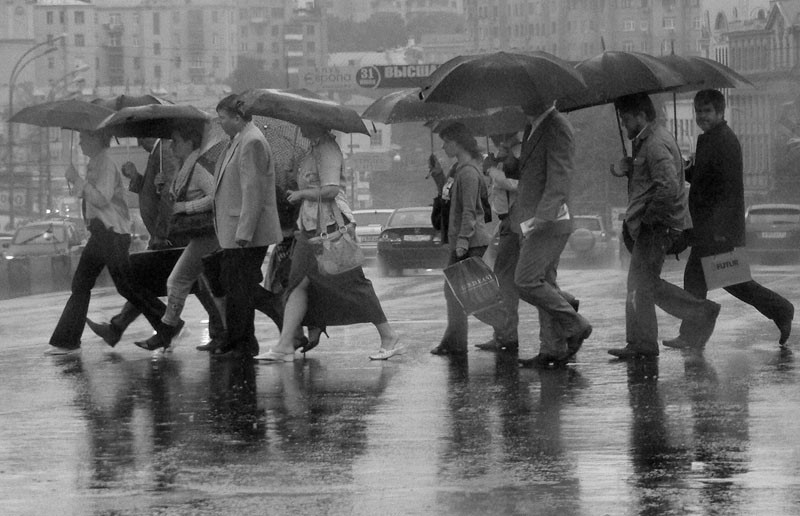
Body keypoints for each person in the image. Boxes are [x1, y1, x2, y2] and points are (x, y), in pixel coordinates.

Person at [255, 123, 402, 362]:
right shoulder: (312, 151)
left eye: (304, 122)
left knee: (352, 284)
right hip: (309, 227)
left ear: (318, 123)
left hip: (329, 229)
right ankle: (284, 345)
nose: (301, 127)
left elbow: (332, 190)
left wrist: (302, 194)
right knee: (297, 285)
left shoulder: (328, 150)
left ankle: (389, 336)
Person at [662, 89, 794, 350]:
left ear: (721, 112)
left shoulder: (724, 141)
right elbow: (704, 178)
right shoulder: (712, 139)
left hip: (717, 230)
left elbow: (727, 190)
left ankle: (781, 310)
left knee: (723, 282)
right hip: (710, 229)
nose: (702, 116)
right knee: (714, 283)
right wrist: (685, 169)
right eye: (698, 111)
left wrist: (720, 231)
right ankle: (692, 335)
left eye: (707, 111)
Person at [607, 93, 721, 359]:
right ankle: (646, 340)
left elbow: (668, 187)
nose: (624, 125)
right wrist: (624, 169)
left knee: (640, 283)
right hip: (656, 224)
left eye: (626, 120)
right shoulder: (646, 141)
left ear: (640, 115)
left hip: (658, 225)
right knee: (643, 284)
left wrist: (648, 220)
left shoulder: (656, 143)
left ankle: (652, 339)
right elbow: (648, 182)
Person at [84, 136, 225, 349]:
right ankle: (122, 328)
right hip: (166, 233)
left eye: (143, 135)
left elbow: (175, 199)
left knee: (190, 282)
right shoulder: (158, 155)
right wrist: (138, 179)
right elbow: (159, 193)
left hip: (172, 235)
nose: (140, 140)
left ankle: (208, 331)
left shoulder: (167, 152)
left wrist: (162, 233)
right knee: (165, 281)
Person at [46, 130, 171, 355]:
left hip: (111, 232)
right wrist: (75, 181)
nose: (81, 142)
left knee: (126, 286)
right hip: (102, 232)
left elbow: (101, 198)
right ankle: (67, 340)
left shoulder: (105, 163)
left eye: (84, 138)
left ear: (96, 139)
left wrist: (78, 180)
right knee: (83, 284)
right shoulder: (95, 163)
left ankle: (169, 325)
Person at [511, 102, 592, 369]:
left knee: (526, 281)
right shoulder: (532, 127)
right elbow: (533, 172)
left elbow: (560, 177)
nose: (519, 101)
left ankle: (574, 322)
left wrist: (542, 218)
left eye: (524, 96)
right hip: (532, 221)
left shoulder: (557, 126)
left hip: (548, 222)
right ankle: (553, 349)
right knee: (544, 282)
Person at [133, 124, 221, 351]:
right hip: (199, 236)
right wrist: (162, 188)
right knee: (209, 288)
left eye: (176, 141)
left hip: (207, 235)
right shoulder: (185, 168)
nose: (171, 147)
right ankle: (224, 333)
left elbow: (214, 197)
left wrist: (185, 207)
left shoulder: (198, 168)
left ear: (190, 143)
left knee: (178, 281)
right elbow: (173, 200)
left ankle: (166, 331)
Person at [211, 95, 283, 359]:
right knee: (235, 286)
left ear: (237, 117)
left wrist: (244, 231)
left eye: (223, 118)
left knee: (239, 288)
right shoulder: (237, 141)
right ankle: (241, 341)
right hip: (234, 230)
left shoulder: (251, 141)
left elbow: (252, 191)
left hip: (246, 231)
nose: (220, 123)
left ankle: (241, 343)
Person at [429, 123, 493, 356]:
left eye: (447, 141)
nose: (444, 146)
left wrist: (463, 241)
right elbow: (447, 199)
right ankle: (455, 340)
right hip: (462, 239)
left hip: (471, 240)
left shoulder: (468, 172)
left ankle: (458, 340)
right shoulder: (457, 169)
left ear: (458, 143)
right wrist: (438, 176)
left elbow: (470, 211)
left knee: (467, 293)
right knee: (458, 292)